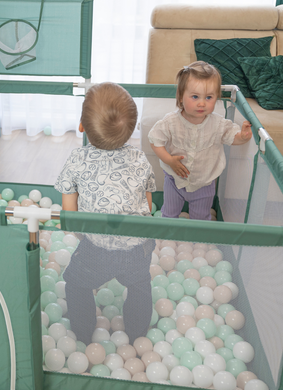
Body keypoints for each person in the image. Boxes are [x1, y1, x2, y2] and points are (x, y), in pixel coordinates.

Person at [54, 82, 156, 346]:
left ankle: (84, 334)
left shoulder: (77, 159)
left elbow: (70, 215)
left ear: (81, 126)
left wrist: (84, 235)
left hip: (96, 249)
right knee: (140, 286)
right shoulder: (140, 158)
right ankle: (137, 335)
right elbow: (148, 208)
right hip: (138, 248)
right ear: (132, 130)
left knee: (76, 283)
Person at [148, 61, 252, 220]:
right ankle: (166, 240)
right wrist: (170, 160)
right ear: (181, 97)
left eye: (209, 97)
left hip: (205, 184)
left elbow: (232, 136)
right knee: (169, 214)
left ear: (216, 97)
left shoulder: (217, 123)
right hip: (174, 181)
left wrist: (242, 137)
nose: (202, 103)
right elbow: (155, 141)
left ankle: (199, 243)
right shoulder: (170, 122)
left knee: (201, 218)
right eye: (195, 96)